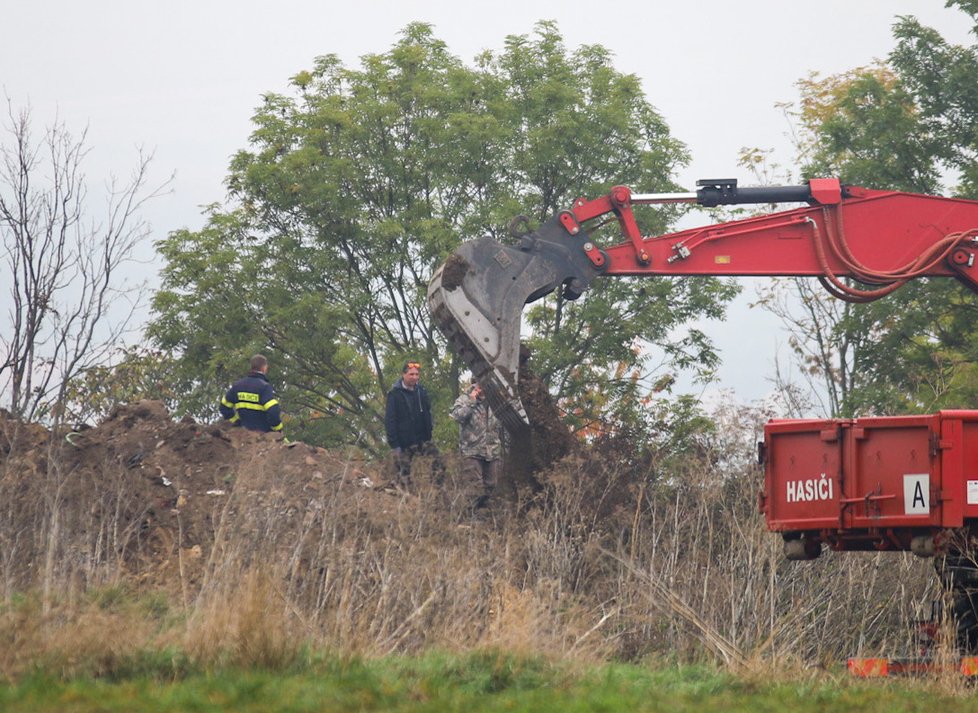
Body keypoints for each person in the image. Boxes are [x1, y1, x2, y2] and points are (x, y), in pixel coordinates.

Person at [384, 360, 441, 486]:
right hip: (403, 443)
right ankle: (406, 500)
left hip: (422, 439)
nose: (414, 377)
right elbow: (390, 420)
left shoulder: (421, 391)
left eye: (416, 374)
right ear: (403, 375)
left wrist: (429, 431)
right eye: (411, 374)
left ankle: (435, 490)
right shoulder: (394, 394)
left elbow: (428, 412)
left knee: (438, 463)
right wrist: (395, 444)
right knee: (403, 475)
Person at [450, 379, 502, 513]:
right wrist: (472, 401)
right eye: (479, 384)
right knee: (474, 487)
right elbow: (457, 417)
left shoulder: (496, 400)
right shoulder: (464, 399)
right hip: (472, 450)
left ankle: (487, 516)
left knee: (492, 486)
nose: (482, 387)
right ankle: (473, 517)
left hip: (492, 451)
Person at [219, 354, 284, 434]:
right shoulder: (264, 387)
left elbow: (224, 407)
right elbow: (273, 411)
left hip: (243, 434)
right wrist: (277, 429)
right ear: (264, 368)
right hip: (263, 435)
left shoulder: (237, 385)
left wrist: (236, 422)